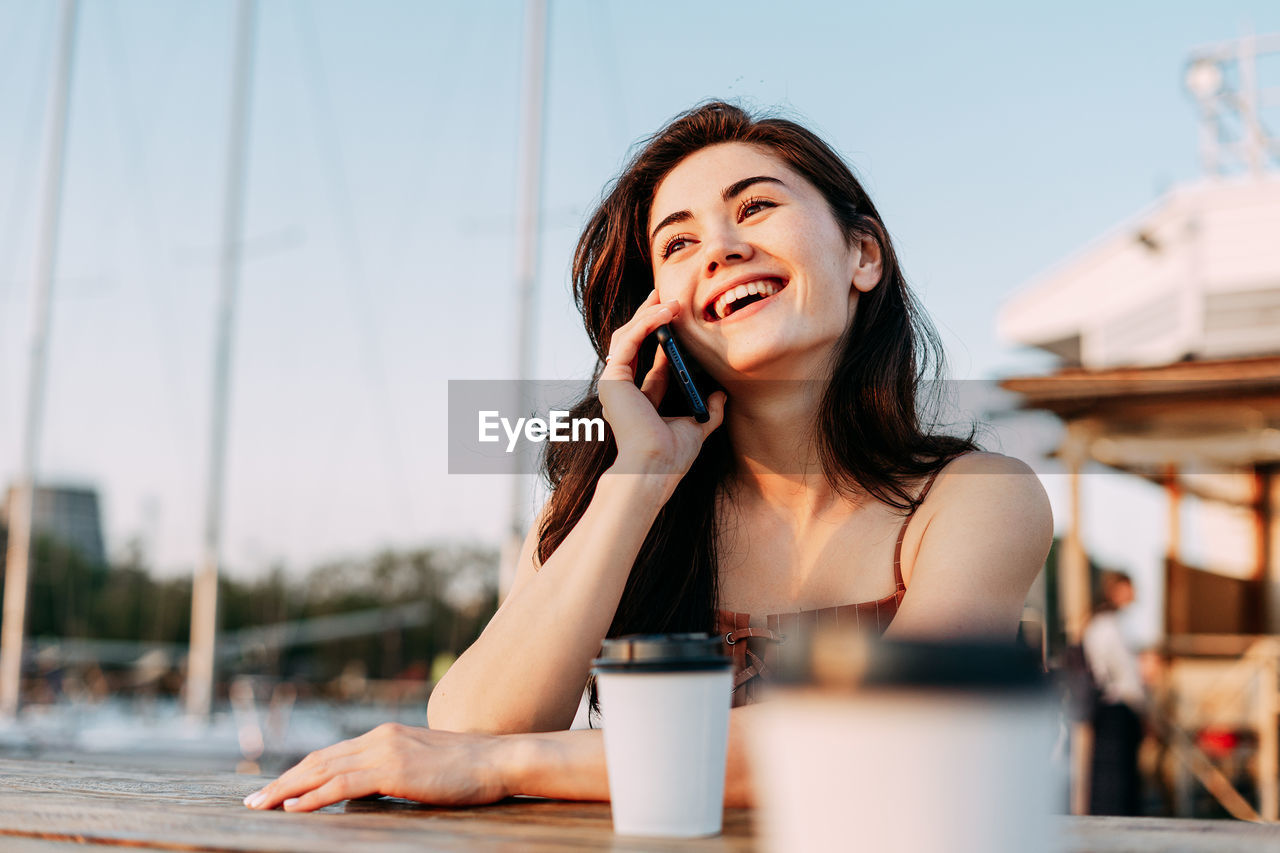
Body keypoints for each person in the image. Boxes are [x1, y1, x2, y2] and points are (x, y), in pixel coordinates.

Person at [242, 101, 1053, 813]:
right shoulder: (608, 504)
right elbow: (471, 726)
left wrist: (502, 765)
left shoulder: (976, 499)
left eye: (758, 206)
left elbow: (880, 741)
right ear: (661, 318)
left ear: (861, 255)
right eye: (680, 242)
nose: (722, 248)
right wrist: (637, 482)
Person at [1083, 570, 1147, 816]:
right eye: (1129, 587)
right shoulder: (1108, 627)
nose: (1133, 594)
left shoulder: (1102, 624)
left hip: (1109, 709)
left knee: (1113, 776)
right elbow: (1124, 675)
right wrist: (1142, 706)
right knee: (1117, 779)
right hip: (1116, 709)